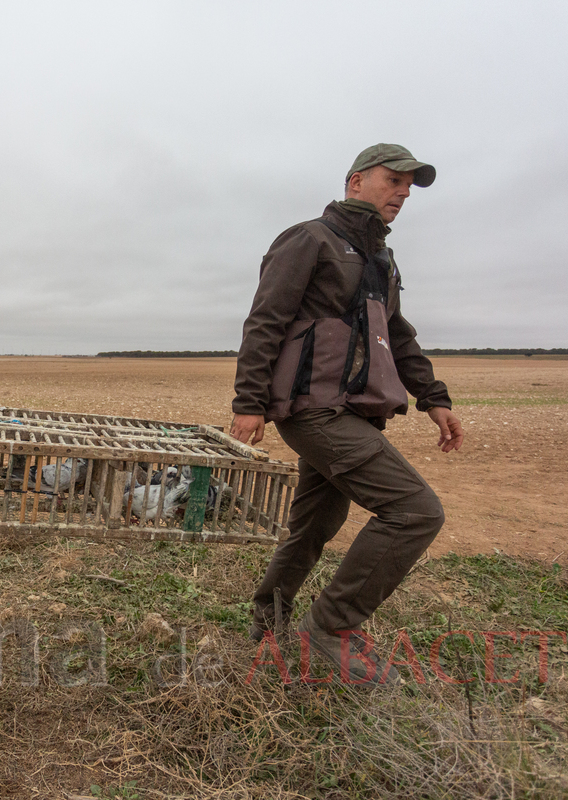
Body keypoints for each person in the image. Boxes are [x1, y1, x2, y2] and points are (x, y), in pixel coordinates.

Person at [229, 144, 465, 685]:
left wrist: (434, 397)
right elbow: (264, 321)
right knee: (415, 511)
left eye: (410, 186)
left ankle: (269, 627)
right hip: (313, 411)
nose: (403, 193)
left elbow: (397, 334)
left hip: (352, 411)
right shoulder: (308, 239)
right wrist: (249, 403)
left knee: (317, 523)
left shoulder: (381, 258)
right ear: (356, 180)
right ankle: (330, 630)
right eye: (394, 180)